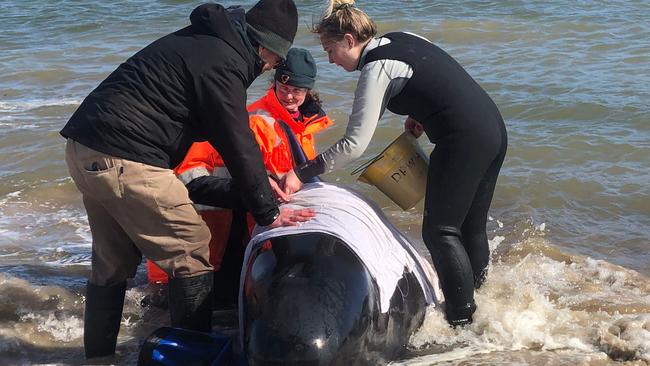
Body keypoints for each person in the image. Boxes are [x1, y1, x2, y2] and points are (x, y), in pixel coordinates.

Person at [60, 0, 316, 359]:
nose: (269, 68)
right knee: (192, 247)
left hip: (84, 149)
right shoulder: (224, 61)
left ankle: (98, 357)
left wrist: (261, 185)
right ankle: (189, 357)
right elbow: (237, 141)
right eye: (274, 62)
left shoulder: (206, 39)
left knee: (112, 262)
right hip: (127, 156)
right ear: (264, 47)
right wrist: (270, 213)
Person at [281, 0, 508, 327]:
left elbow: (353, 145)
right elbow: (436, 75)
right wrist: (419, 114)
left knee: (440, 232)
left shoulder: (376, 68)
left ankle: (462, 324)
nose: (330, 60)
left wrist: (300, 173)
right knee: (470, 227)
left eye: (330, 50)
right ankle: (482, 305)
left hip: (462, 140)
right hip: (493, 129)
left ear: (348, 41)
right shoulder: (403, 37)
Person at [145, 48, 334, 306]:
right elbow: (201, 173)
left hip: (248, 211)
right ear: (275, 82)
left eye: (297, 91)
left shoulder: (302, 124)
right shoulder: (256, 119)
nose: (289, 95)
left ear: (308, 91)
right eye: (284, 87)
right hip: (218, 218)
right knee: (205, 295)